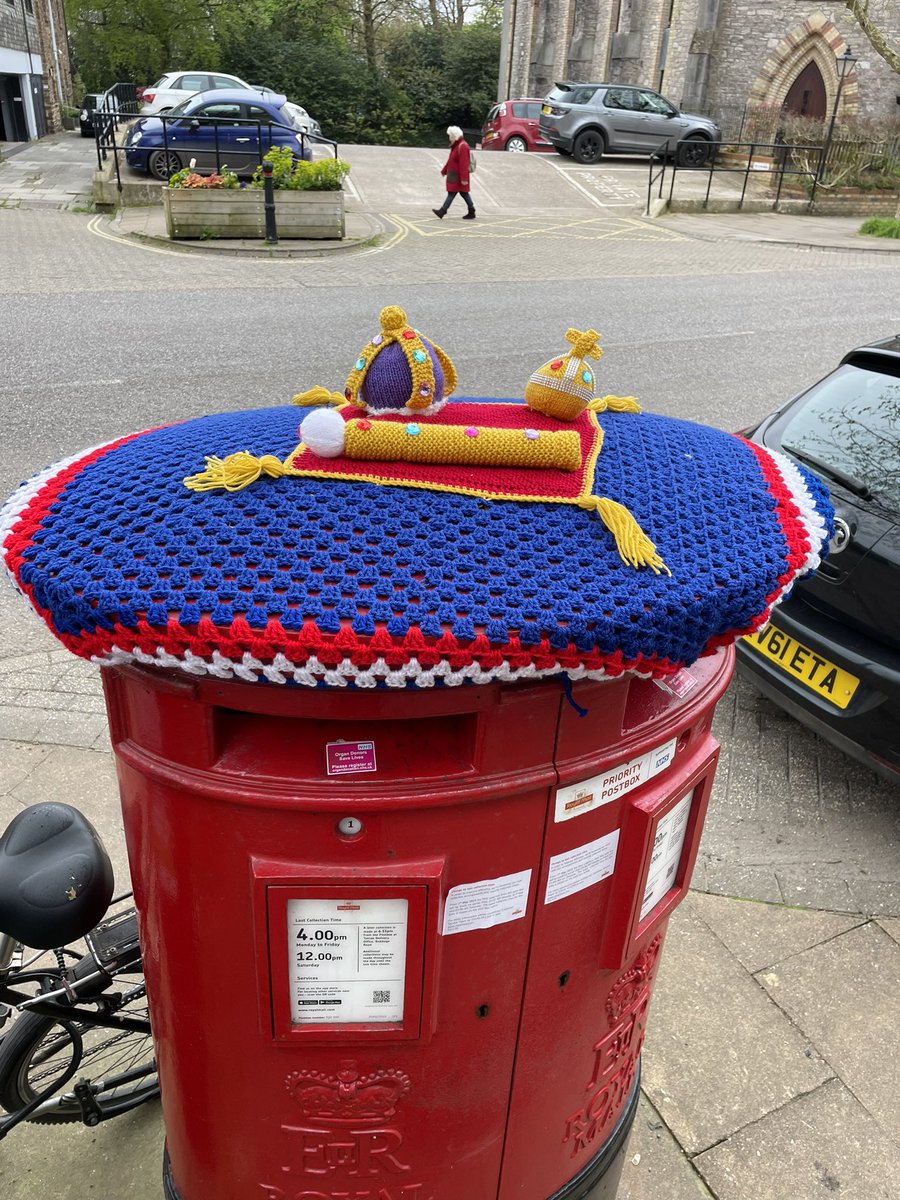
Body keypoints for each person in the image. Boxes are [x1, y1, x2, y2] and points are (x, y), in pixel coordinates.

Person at [433, 126, 475, 220]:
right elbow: (450, 160)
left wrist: (464, 179)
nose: (449, 138)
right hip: (454, 175)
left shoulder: (463, 146)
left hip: (459, 176)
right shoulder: (456, 146)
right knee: (463, 193)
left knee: (453, 193)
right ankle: (471, 210)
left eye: (450, 136)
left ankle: (443, 211)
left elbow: (464, 164)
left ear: (455, 136)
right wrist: (444, 170)